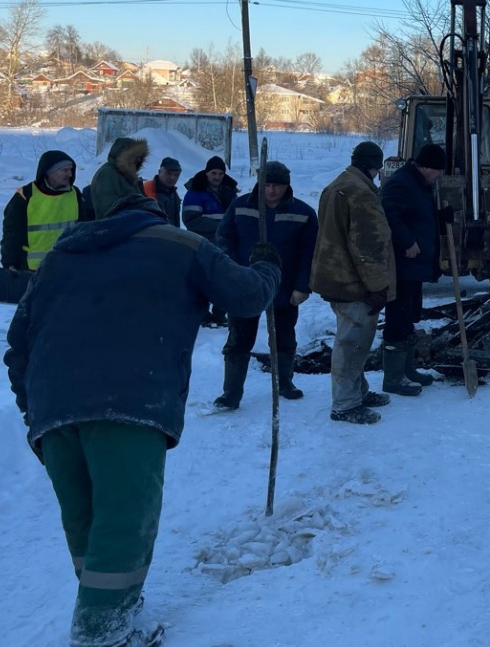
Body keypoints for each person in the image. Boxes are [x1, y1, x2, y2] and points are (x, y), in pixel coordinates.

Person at [3, 194, 280, 647]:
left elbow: (18, 343)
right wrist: (267, 265)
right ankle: (101, 635)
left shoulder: (61, 255)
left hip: (52, 409)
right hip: (131, 403)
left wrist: (33, 409)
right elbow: (247, 296)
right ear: (156, 218)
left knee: (86, 522)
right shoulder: (182, 245)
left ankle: (113, 610)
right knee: (123, 523)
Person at [213, 160, 318, 409]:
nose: (271, 191)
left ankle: (285, 382)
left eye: (277, 186)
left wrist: (303, 286)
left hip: (284, 285)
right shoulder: (241, 206)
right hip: (246, 284)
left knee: (284, 337)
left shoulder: (303, 213)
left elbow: (310, 252)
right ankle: (231, 393)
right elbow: (224, 238)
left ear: (287, 187)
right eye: (267, 184)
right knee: (239, 338)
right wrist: (232, 273)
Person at [310, 141, 396, 424]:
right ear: (375, 166)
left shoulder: (338, 185)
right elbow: (368, 247)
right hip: (354, 283)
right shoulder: (361, 194)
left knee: (354, 340)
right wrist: (378, 287)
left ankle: (358, 391)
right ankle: (345, 404)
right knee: (352, 343)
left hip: (337, 277)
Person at [379, 143, 448, 397]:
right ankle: (393, 378)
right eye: (438, 170)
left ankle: (408, 370)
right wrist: (407, 241)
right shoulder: (401, 183)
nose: (439, 175)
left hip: (415, 266)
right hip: (402, 265)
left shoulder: (419, 183)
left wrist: (441, 217)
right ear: (426, 166)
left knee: (409, 316)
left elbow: (418, 215)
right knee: (398, 318)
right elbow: (388, 213)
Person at [2, 149, 92, 274]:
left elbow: (84, 228)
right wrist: (9, 263)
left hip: (67, 266)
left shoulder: (75, 194)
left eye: (71, 170)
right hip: (32, 271)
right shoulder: (25, 196)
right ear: (49, 172)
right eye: (65, 170)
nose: (70, 174)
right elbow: (12, 234)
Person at [182, 156, 239, 326]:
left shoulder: (230, 192)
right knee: (203, 281)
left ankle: (220, 314)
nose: (217, 177)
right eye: (213, 173)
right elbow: (191, 220)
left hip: (225, 245)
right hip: (202, 244)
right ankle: (202, 315)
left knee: (223, 281)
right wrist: (223, 225)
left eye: (220, 173)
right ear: (207, 173)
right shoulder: (195, 193)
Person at [88, 137, 149, 219]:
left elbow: (142, 202)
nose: (138, 160)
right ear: (125, 157)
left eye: (140, 157)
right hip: (115, 228)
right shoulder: (107, 174)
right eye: (135, 156)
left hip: (134, 225)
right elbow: (109, 209)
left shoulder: (128, 176)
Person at [142, 157, 182, 228]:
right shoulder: (145, 189)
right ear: (160, 172)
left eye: (176, 175)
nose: (172, 178)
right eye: (169, 173)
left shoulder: (174, 195)